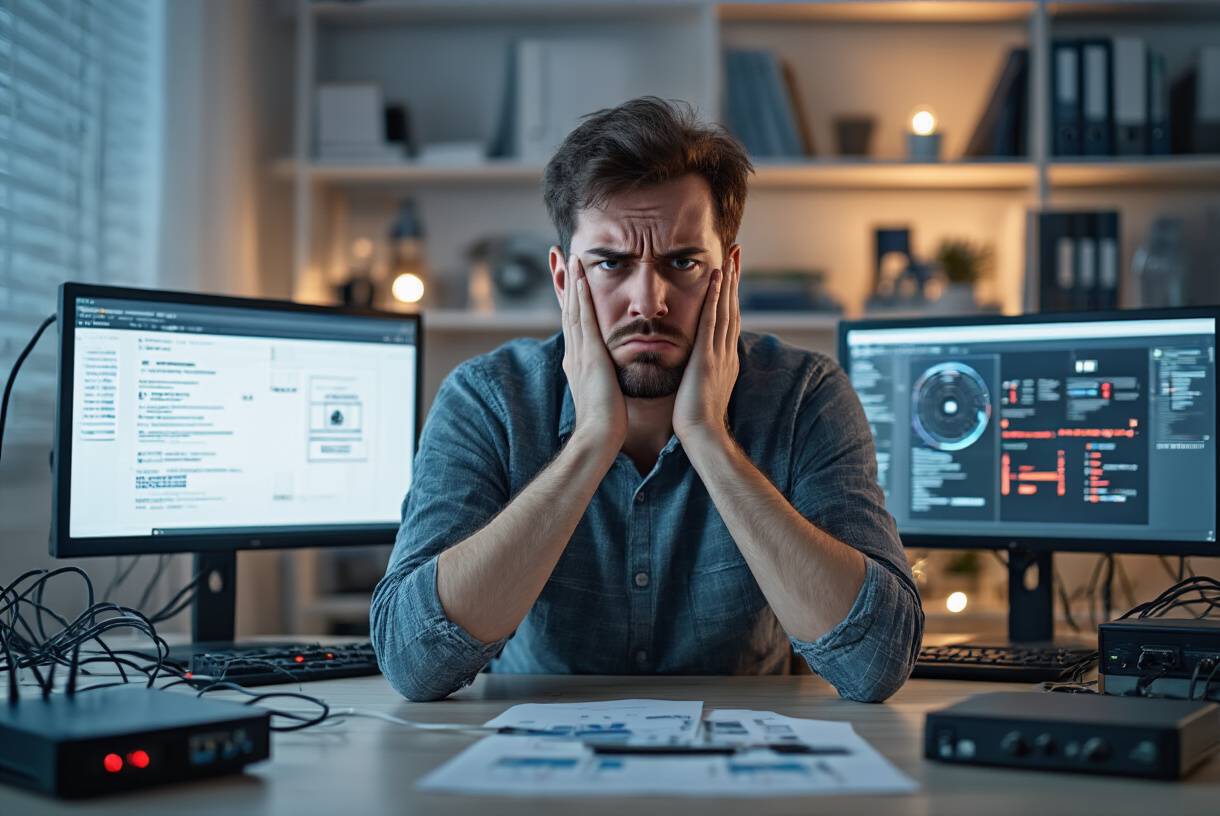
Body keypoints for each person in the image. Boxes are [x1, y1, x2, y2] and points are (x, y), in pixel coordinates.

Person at [371, 97, 922, 703]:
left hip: (742, 773)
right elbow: (411, 662)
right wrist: (590, 442)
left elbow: (876, 663)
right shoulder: (488, 399)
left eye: (682, 261)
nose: (648, 302)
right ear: (563, 279)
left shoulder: (805, 395)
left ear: (729, 275)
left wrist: (709, 437)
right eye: (611, 263)